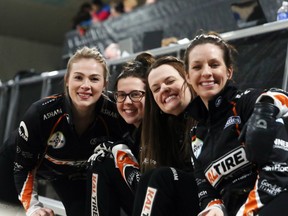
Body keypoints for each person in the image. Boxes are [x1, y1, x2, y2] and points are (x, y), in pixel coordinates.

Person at [13, 46, 132, 216]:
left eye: (94, 79)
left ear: (105, 84)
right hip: (19, 162)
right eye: (78, 77)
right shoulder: (40, 113)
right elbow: (23, 168)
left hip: (70, 174)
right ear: (67, 80)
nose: (86, 85)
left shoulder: (116, 112)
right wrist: (33, 206)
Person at [184, 31, 288, 216]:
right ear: (187, 76)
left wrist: (266, 108)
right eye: (197, 67)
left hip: (273, 201)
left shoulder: (248, 103)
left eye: (214, 64)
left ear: (229, 71)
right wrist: (214, 207)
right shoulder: (195, 136)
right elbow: (206, 190)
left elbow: (277, 174)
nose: (206, 72)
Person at [85, 52, 155, 216]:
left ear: (151, 96)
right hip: (142, 204)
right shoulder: (128, 128)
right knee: (101, 160)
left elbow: (152, 188)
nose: (127, 102)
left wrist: (121, 154)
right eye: (121, 95)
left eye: (136, 94)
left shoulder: (162, 128)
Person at [131, 56, 200, 216]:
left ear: (188, 80)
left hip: (216, 198)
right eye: (156, 89)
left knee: (163, 176)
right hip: (187, 201)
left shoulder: (208, 114)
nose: (163, 89)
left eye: (169, 81)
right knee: (148, 177)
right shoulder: (161, 128)